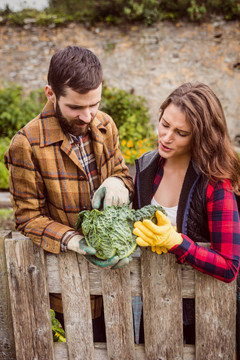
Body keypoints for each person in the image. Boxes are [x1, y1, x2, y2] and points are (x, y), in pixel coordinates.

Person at [4, 45, 134, 340]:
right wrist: (76, 242)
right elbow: (28, 218)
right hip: (69, 279)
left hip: (117, 274)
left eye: (94, 104)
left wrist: (118, 181)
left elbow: (123, 175)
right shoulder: (26, 144)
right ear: (50, 93)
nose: (88, 116)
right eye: (76, 107)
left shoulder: (106, 125)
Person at [132, 82, 240, 344]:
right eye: (165, 124)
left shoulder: (215, 184)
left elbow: (230, 266)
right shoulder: (147, 167)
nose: (166, 137)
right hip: (153, 302)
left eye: (181, 132)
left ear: (201, 136)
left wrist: (177, 243)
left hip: (201, 312)